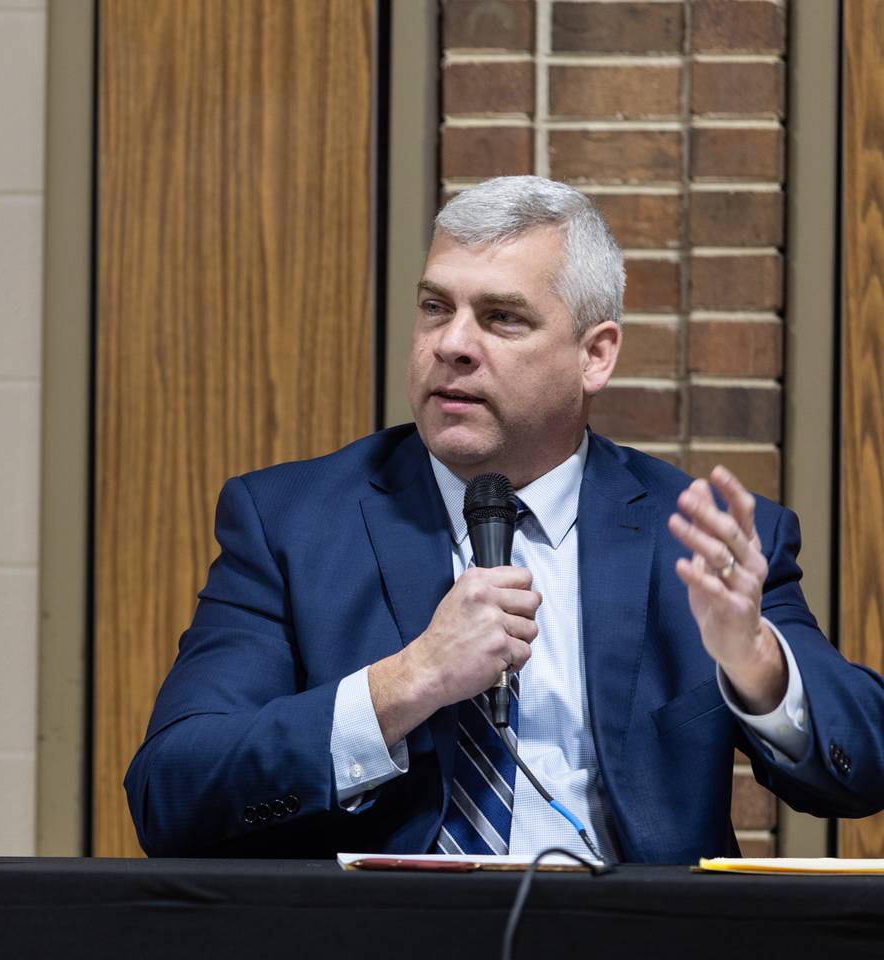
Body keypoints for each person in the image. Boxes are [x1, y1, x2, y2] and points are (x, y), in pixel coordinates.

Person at [124, 175, 884, 863]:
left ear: (595, 356)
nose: (451, 345)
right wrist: (405, 683)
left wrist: (757, 663)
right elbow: (171, 792)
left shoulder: (694, 540)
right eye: (435, 308)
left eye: (502, 318)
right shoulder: (290, 524)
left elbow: (866, 766)